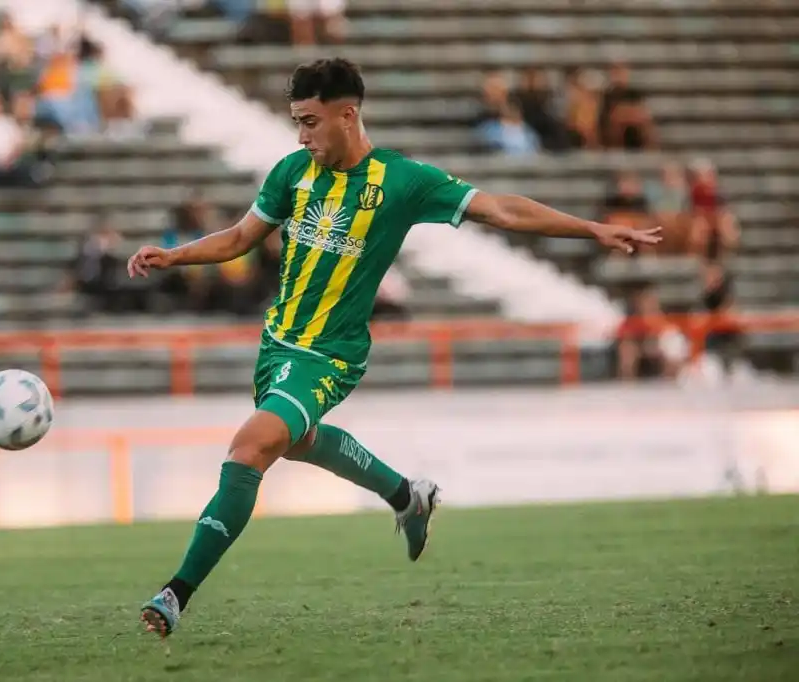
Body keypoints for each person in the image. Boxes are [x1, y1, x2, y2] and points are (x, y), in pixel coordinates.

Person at [125, 58, 661, 638]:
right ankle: (408, 496)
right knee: (295, 442)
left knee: (249, 449)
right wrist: (176, 255)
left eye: (310, 122)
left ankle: (176, 593)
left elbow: (502, 209)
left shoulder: (401, 181)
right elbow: (238, 239)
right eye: (297, 122)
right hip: (277, 345)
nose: (301, 136)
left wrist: (592, 228)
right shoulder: (292, 172)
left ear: (347, 115)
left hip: (330, 355)